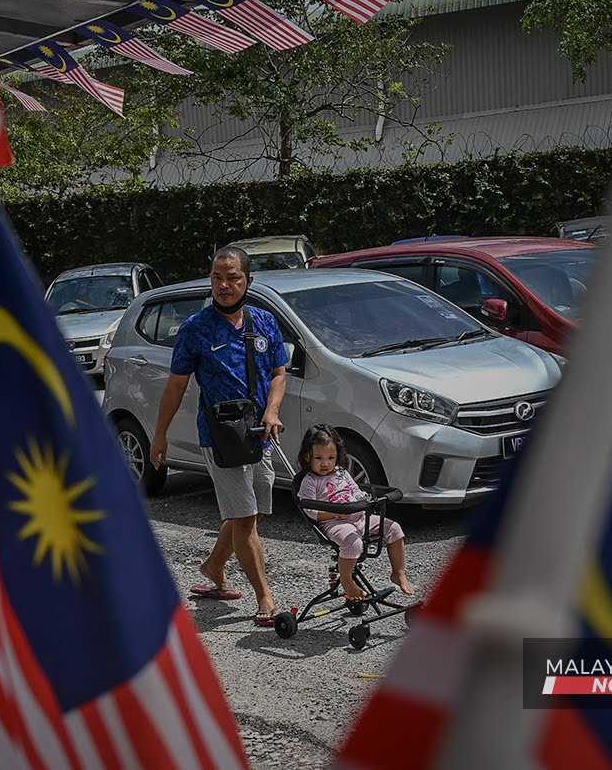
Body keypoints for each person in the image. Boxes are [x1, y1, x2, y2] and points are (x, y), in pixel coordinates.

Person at [149, 247, 287, 626]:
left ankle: (213, 566)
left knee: (250, 512)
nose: (224, 285)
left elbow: (280, 372)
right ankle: (266, 598)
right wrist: (158, 436)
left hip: (258, 433)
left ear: (248, 281)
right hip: (219, 435)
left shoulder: (265, 322)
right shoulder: (195, 329)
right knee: (245, 519)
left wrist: (272, 410)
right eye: (217, 277)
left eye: (232, 278)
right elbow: (175, 387)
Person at [295, 424, 416, 599]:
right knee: (354, 544)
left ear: (338, 456)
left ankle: (398, 572)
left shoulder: (342, 473)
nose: (325, 463)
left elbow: (356, 490)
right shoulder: (310, 481)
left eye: (331, 457)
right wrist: (336, 513)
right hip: (333, 522)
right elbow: (310, 511)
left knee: (394, 528)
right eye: (319, 458)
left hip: (358, 515)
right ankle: (347, 581)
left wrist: (365, 500)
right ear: (308, 457)